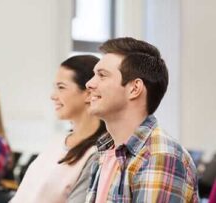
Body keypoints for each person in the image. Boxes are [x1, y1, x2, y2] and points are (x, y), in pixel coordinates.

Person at [85, 37, 199, 202]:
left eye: (102, 75)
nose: (89, 84)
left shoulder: (160, 156)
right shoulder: (106, 152)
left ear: (134, 88)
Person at [9, 55, 106, 203]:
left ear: (88, 93)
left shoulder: (96, 156)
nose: (53, 96)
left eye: (61, 87)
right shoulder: (57, 141)